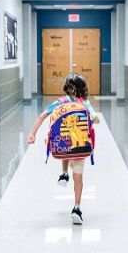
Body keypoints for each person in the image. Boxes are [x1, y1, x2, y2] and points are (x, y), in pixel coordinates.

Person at [27, 73, 100, 224]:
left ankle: (64, 173)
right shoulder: (84, 103)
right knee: (78, 177)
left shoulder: (60, 102)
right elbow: (96, 120)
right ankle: (77, 208)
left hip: (62, 146)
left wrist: (32, 134)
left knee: (65, 145)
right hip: (80, 147)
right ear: (82, 89)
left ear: (67, 88)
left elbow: (42, 116)